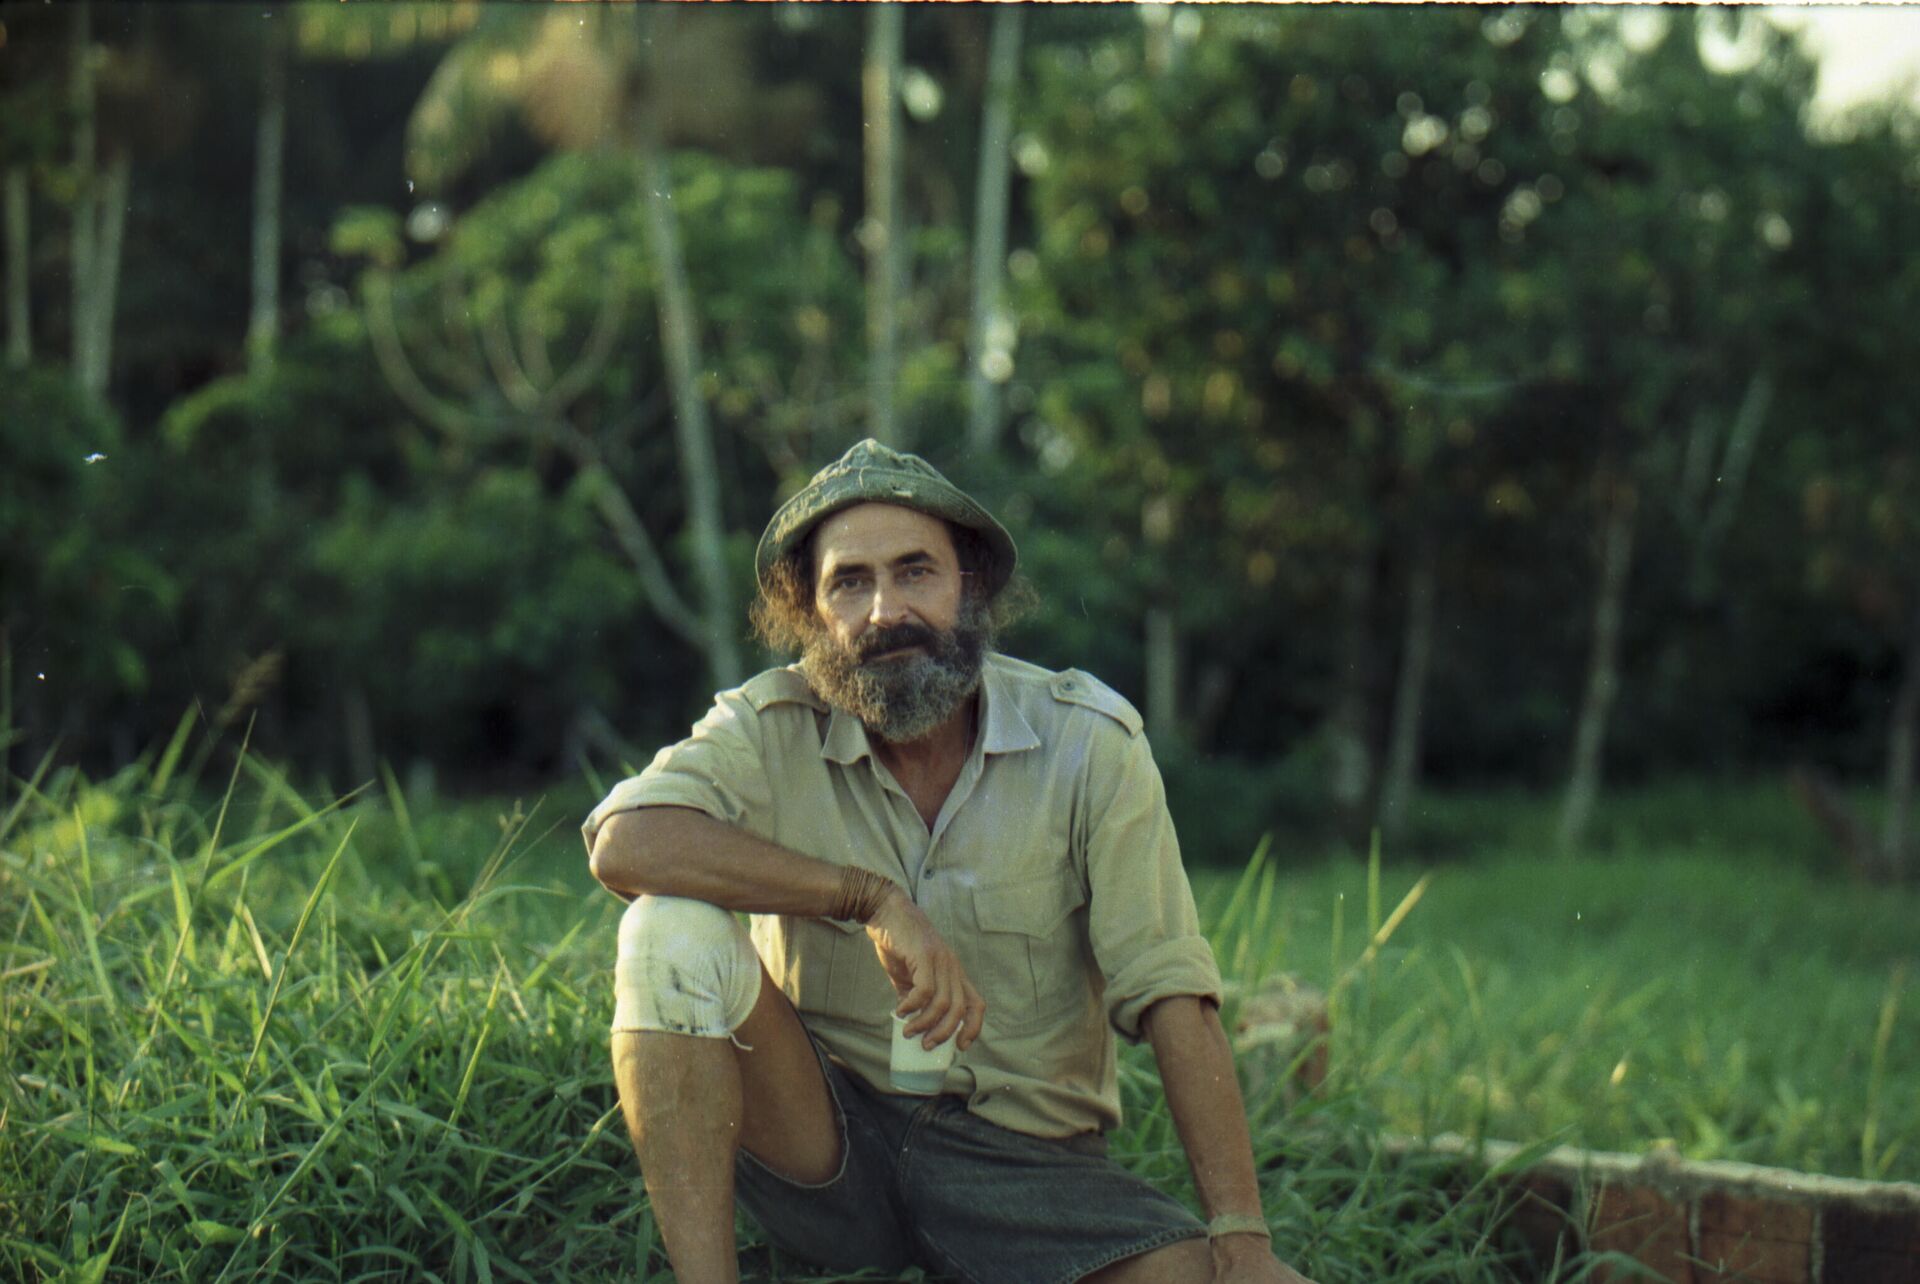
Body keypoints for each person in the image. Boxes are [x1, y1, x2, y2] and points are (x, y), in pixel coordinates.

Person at [584, 439, 1320, 1284]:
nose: (884, 609)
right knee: (665, 928)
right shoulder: (767, 726)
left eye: (915, 572)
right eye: (848, 583)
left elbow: (1172, 994)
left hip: (1028, 1171)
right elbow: (626, 841)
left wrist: (1241, 1236)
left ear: (969, 586)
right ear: (810, 611)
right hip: (830, 1147)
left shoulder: (1087, 743)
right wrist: (867, 897)